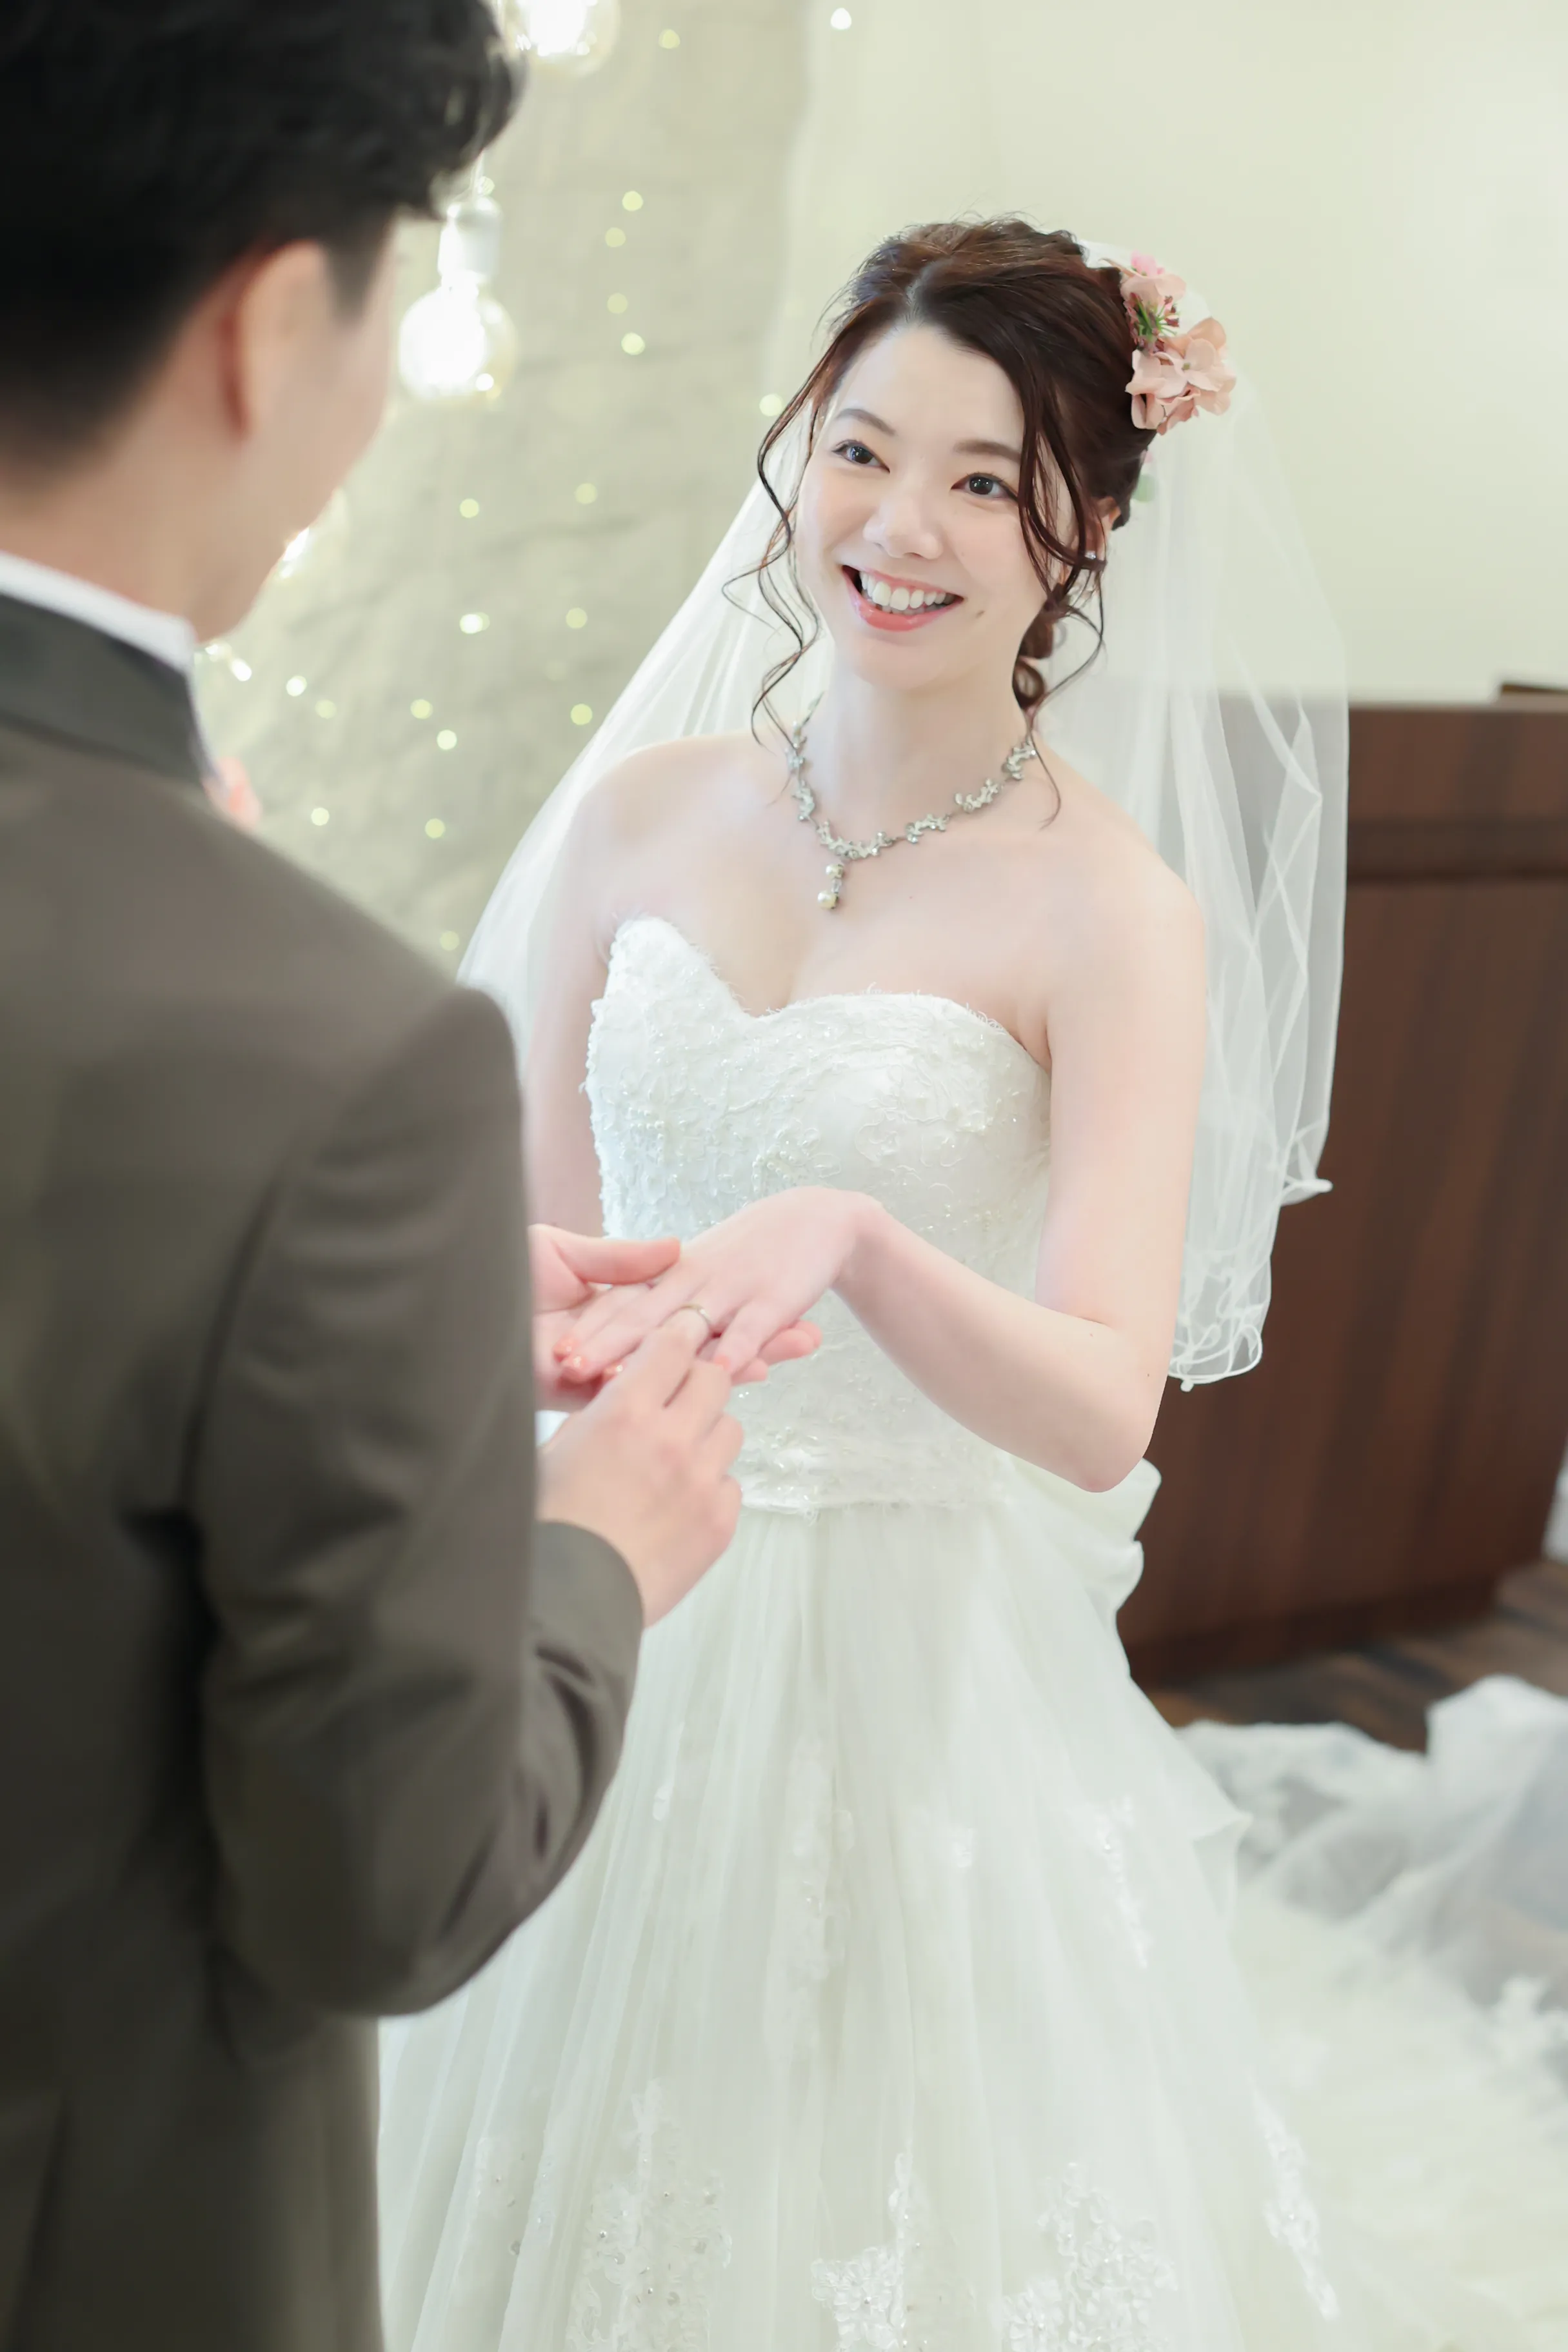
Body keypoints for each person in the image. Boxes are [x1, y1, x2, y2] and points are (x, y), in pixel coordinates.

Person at [378, 222, 1565, 2348]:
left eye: (983, 480)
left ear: (1083, 526)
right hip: (603, 1572)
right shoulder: (633, 818)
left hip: (899, 1650)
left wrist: (855, 1238)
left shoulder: (1109, 911)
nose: (896, 526)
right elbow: (544, 1262)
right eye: (858, 449)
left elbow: (1103, 1401)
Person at [0, 5, 813, 2345]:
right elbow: (377, 1884)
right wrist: (590, 1546)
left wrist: (376, 1309)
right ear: (272, 322)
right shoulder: (333, 1057)